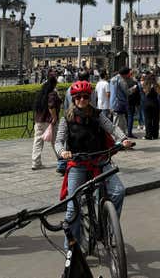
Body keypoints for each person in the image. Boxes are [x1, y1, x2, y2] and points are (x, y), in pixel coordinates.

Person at [55, 80, 132, 248]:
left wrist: (124, 139)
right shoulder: (66, 119)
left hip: (100, 161)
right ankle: (71, 249)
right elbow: (58, 141)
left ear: (90, 98)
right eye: (78, 97)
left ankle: (108, 227)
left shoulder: (97, 115)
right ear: (73, 99)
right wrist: (62, 153)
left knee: (118, 191)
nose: (82, 100)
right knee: (72, 209)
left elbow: (112, 128)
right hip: (78, 164)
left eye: (85, 97)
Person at [31, 72, 61, 170]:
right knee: (55, 141)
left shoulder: (42, 93)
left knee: (38, 141)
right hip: (49, 121)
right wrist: (55, 117)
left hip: (39, 120)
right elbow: (51, 106)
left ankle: (36, 162)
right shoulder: (52, 93)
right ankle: (61, 160)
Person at [143, 74, 160, 140]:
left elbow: (145, 92)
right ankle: (155, 135)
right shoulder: (156, 85)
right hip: (155, 102)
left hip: (147, 102)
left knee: (147, 120)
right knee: (155, 119)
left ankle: (148, 135)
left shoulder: (145, 84)